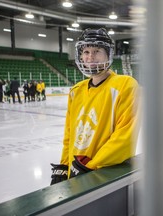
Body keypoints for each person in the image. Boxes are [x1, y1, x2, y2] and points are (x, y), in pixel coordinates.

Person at [50, 28, 141, 185]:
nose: (90, 57)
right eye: (86, 51)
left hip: (105, 175)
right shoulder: (75, 91)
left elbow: (125, 137)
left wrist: (89, 167)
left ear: (108, 54)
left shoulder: (125, 85)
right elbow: (69, 136)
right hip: (76, 172)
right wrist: (64, 165)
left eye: (97, 51)